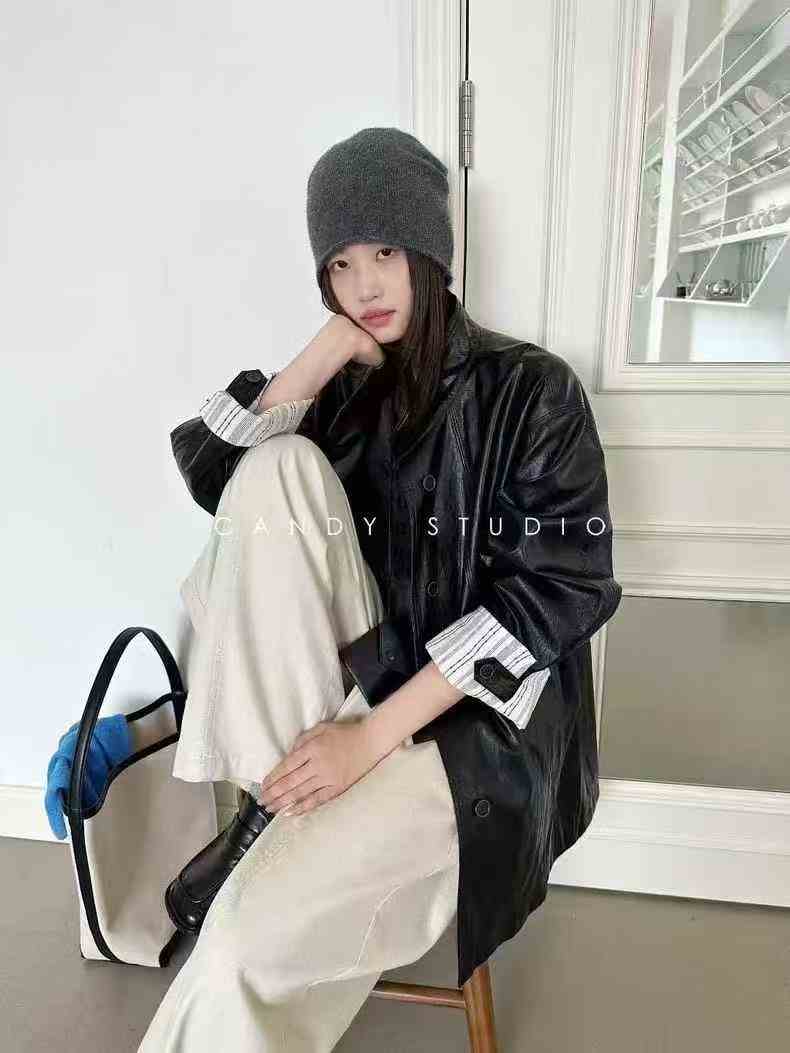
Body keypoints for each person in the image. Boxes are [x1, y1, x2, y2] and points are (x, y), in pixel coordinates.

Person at [137, 126, 622, 1051]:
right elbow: (214, 481)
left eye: (386, 253)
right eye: (340, 264)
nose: (364, 284)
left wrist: (368, 740)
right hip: (354, 687)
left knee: (237, 943)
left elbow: (551, 595)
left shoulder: (534, 391)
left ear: (428, 250)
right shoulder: (344, 395)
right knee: (271, 471)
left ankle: (263, 842)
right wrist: (322, 353)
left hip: (476, 735)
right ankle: (278, 814)